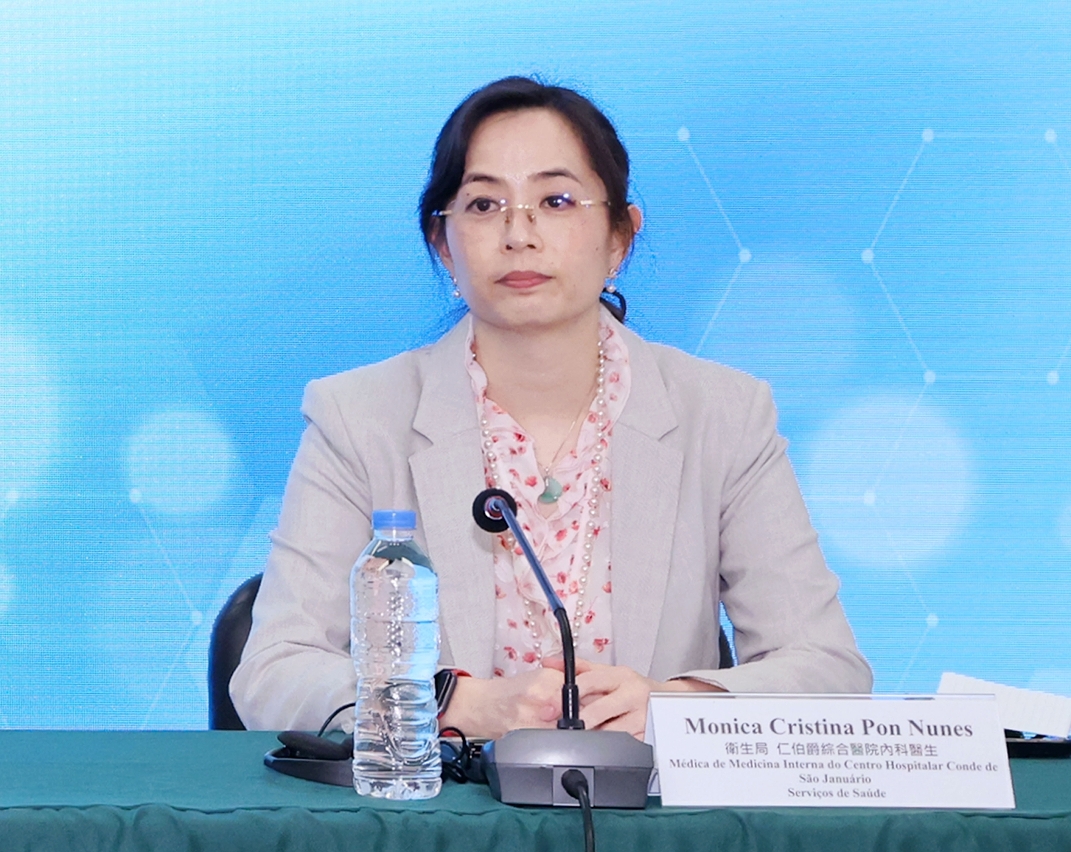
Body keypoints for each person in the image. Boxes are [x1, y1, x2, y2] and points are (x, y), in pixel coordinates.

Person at [231, 77, 871, 739]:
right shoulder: (358, 417)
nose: (519, 233)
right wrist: (456, 705)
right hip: (438, 802)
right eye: (484, 204)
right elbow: (274, 672)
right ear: (443, 244)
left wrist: (670, 704)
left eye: (556, 200)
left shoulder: (724, 414)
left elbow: (828, 668)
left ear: (620, 237)